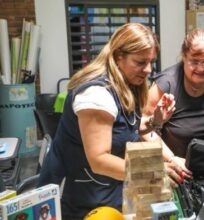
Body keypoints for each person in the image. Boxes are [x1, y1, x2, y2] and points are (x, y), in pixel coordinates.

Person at [38, 23, 178, 219]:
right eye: (140, 62)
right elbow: (99, 160)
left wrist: (156, 121)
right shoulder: (96, 94)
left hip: (106, 192)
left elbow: (126, 129)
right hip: (78, 199)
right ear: (118, 55)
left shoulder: (126, 83)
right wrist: (155, 172)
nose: (148, 69)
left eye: (151, 62)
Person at [142, 28, 204, 179]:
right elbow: (146, 128)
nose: (200, 68)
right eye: (194, 62)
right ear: (184, 57)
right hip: (176, 168)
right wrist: (171, 159)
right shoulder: (166, 84)